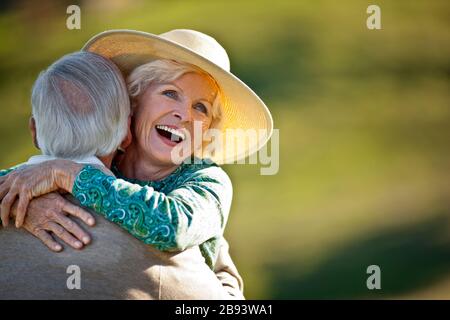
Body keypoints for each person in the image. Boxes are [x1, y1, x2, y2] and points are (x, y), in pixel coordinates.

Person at [0, 29, 272, 296]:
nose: (184, 115)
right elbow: (23, 179)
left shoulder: (208, 179)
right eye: (170, 93)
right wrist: (25, 203)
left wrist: (69, 175)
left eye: (200, 108)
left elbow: (172, 227)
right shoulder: (103, 158)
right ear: (134, 103)